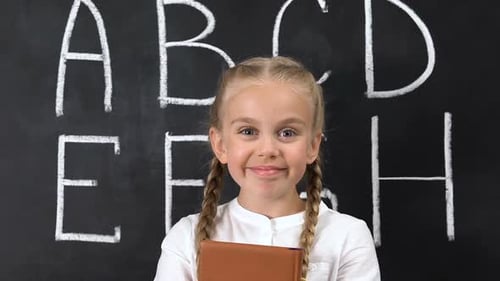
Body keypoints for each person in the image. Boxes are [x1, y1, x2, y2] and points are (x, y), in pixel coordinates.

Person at [153, 56, 380, 280]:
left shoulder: (347, 236)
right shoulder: (185, 238)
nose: (268, 149)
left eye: (287, 133)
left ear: (313, 146)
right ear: (220, 145)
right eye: (248, 132)